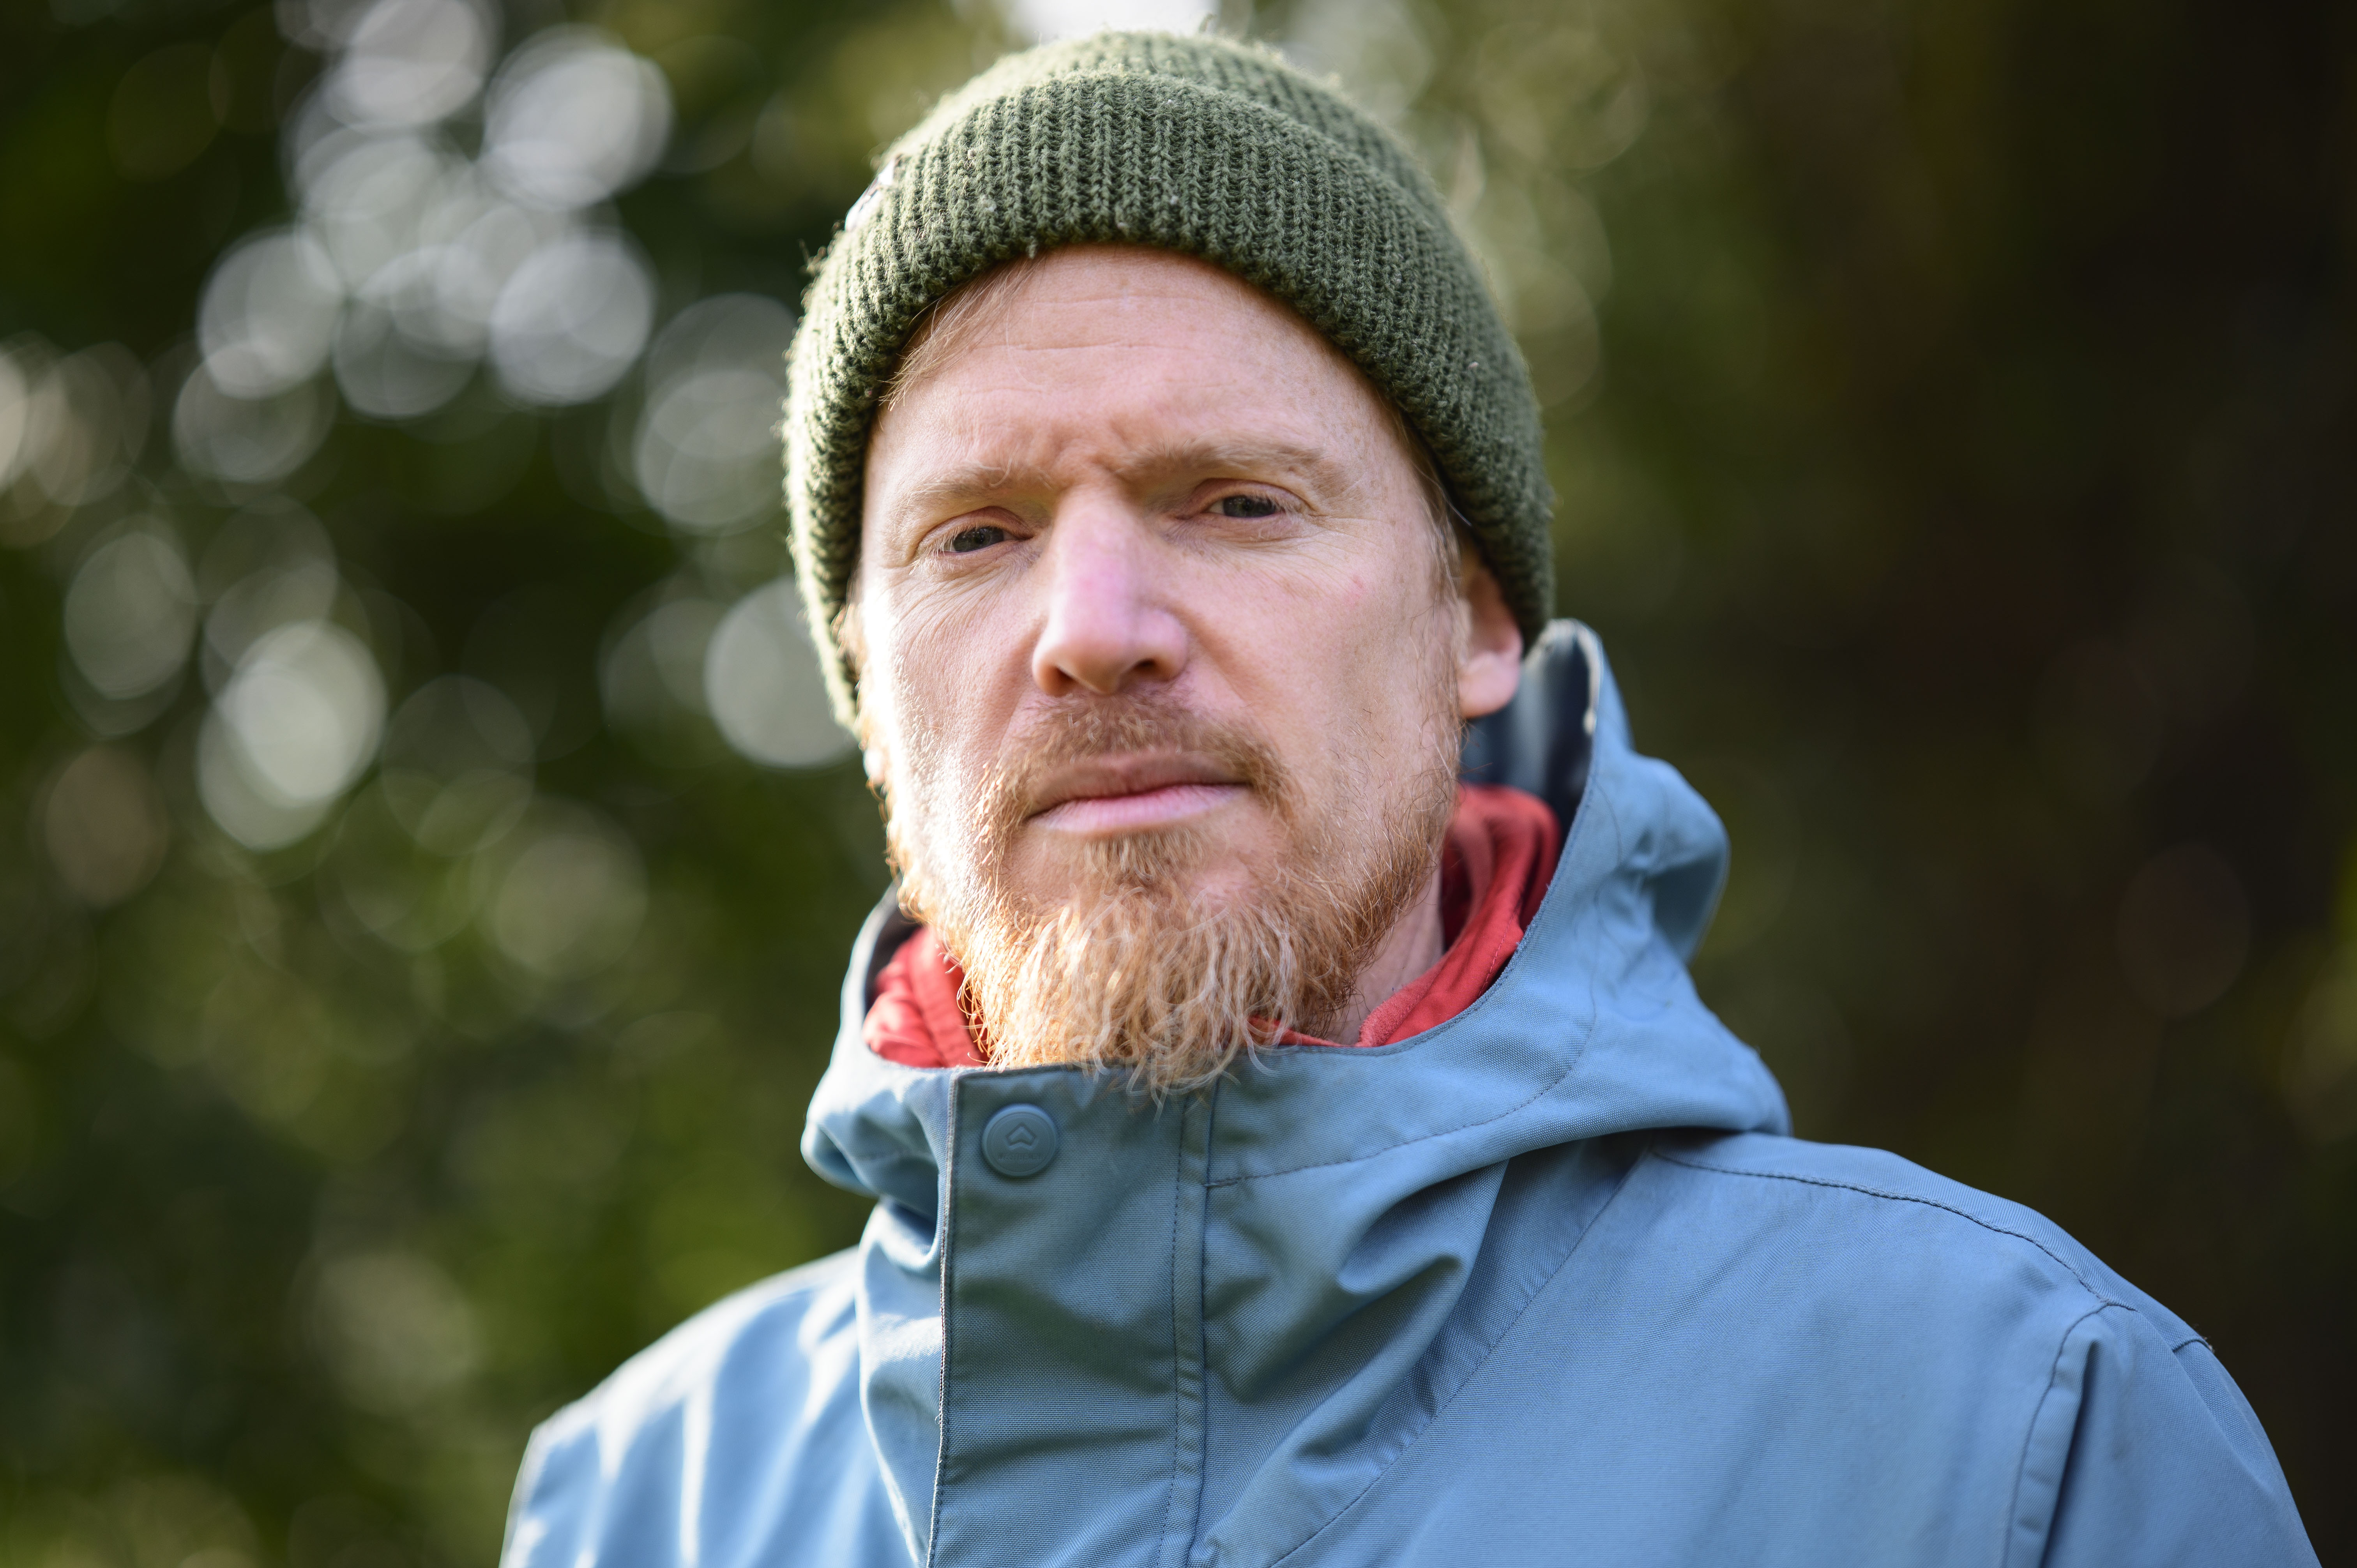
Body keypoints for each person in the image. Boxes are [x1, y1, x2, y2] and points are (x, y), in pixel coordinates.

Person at [498, 32, 2316, 1568]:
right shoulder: (637, 1503)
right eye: (978, 536)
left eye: (1235, 502)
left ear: (1475, 619)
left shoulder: (2014, 1431)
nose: (1095, 633)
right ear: (870, 693)